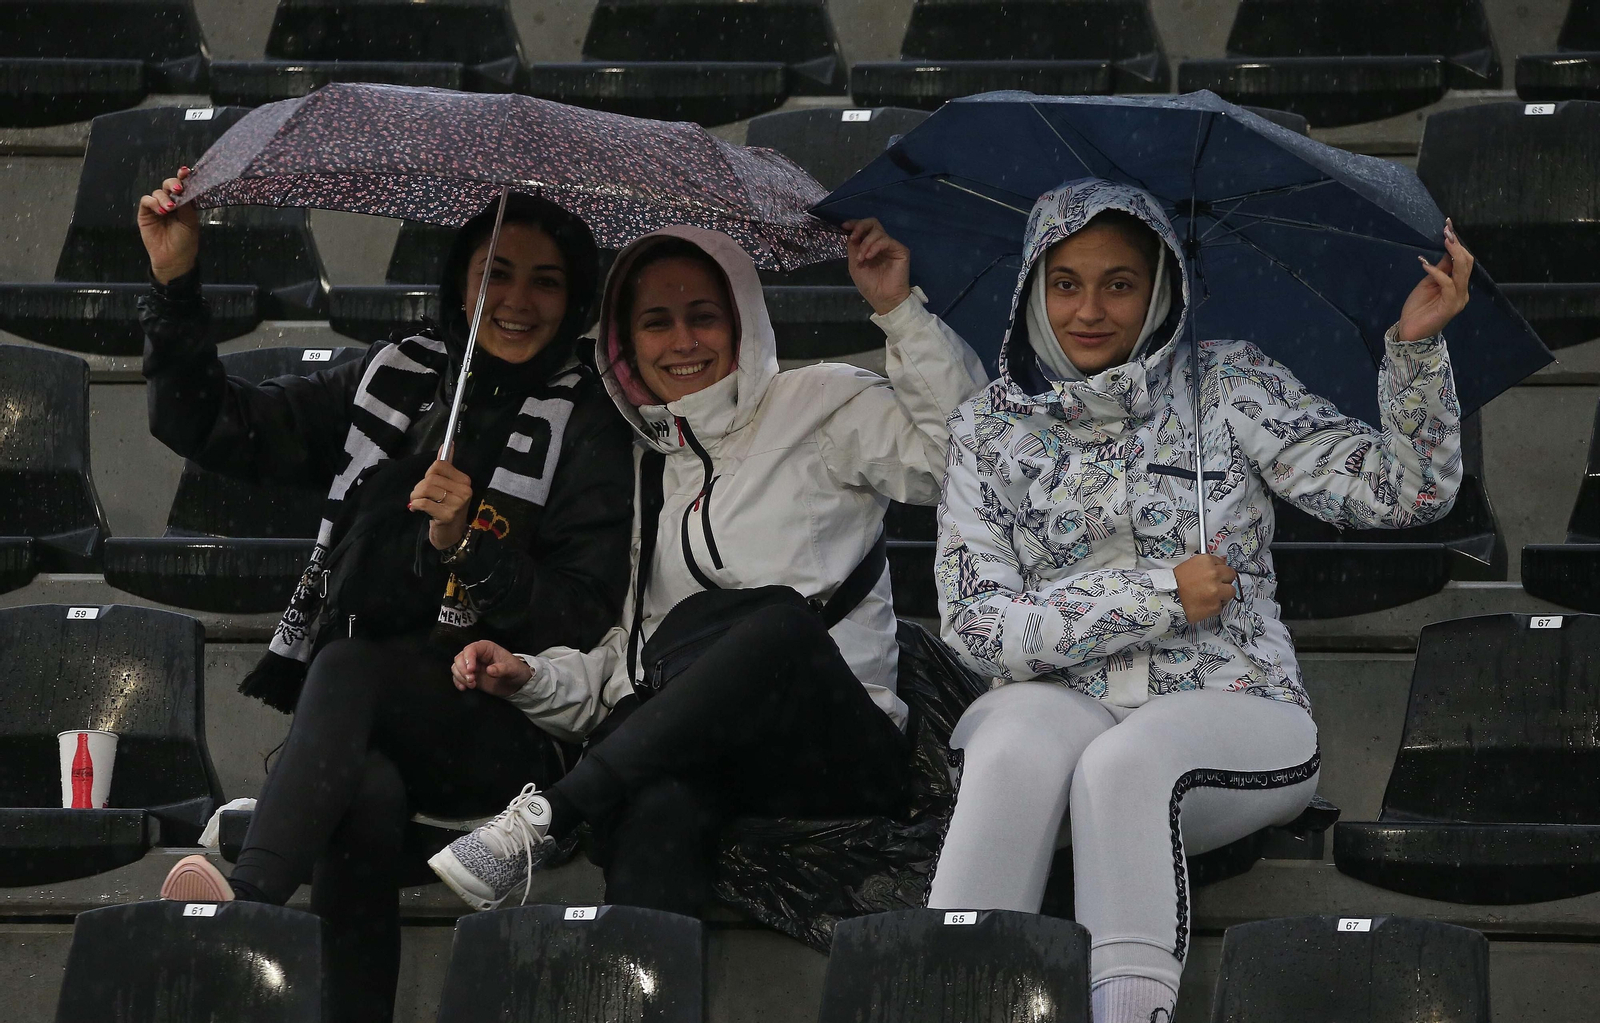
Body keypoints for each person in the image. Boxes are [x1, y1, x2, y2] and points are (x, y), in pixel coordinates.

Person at [925, 178, 1472, 1023]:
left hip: (1231, 698)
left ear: (1161, 289)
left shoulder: (1227, 382)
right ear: (1034, 289)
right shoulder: (987, 427)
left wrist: (1414, 352)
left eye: (1119, 282)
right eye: (1065, 282)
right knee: (1010, 751)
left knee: (1126, 765)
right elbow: (975, 623)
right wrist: (1158, 594)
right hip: (1056, 699)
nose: (1089, 309)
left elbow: (1407, 494)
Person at [136, 171, 634, 1023]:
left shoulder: (591, 417)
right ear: (459, 281)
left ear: (577, 297)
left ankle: (248, 895)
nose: (516, 300)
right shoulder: (397, 376)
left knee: (352, 664)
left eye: (545, 281)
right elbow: (213, 425)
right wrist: (177, 283)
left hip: (512, 740)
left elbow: (580, 616)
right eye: (496, 273)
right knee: (359, 792)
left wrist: (469, 542)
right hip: (371, 738)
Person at [422, 222, 988, 916]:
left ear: (743, 321)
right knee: (657, 801)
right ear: (625, 345)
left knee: (778, 624)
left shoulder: (821, 403)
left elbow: (963, 456)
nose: (683, 342)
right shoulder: (646, 468)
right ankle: (636, 987)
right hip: (719, 752)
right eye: (656, 323)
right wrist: (531, 676)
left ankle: (549, 815)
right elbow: (634, 665)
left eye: (704, 317)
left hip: (839, 745)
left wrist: (898, 310)